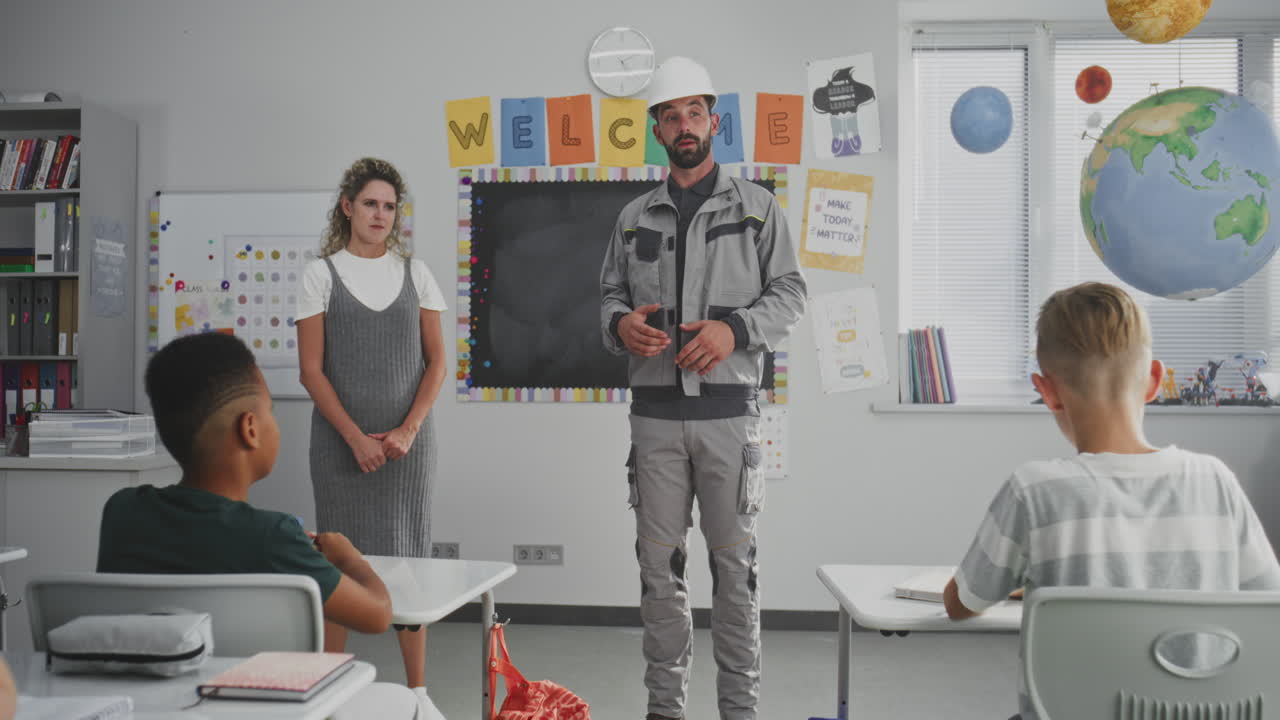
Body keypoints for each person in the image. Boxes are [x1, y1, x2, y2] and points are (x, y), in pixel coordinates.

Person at [943, 282, 1280, 720]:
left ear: (1047, 391)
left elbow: (961, 604)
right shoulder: (1215, 481)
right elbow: (1267, 603)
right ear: (1155, 381)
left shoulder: (1034, 491)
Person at [600, 57, 807, 720]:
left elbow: (792, 294)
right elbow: (607, 295)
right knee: (659, 578)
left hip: (729, 423)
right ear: (656, 127)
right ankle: (665, 711)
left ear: (713, 122)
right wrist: (620, 324)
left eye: (695, 112)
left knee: (735, 578)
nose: (684, 124)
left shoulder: (757, 208)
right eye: (671, 114)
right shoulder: (634, 217)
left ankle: (739, 712)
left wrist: (733, 331)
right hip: (654, 424)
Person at [297, 157, 447, 697]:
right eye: (370, 204)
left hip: (409, 450)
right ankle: (330, 688)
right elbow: (311, 371)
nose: (380, 214)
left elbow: (436, 364)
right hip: (341, 449)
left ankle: (417, 692)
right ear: (347, 207)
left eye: (389, 206)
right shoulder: (320, 275)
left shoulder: (417, 274)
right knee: (339, 562)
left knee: (410, 562)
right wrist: (356, 438)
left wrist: (406, 431)